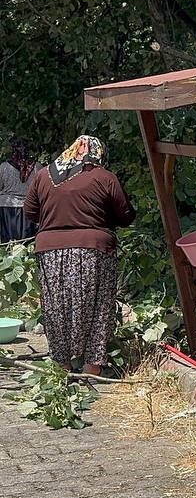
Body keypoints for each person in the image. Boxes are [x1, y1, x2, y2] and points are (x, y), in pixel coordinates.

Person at [23, 136, 136, 376]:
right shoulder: (104, 177)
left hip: (50, 251)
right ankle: (92, 367)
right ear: (97, 154)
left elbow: (30, 211)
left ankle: (61, 365)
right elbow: (125, 215)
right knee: (98, 306)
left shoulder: (43, 176)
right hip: (94, 250)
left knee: (56, 307)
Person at [0, 137, 41, 242]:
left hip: (6, 208)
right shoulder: (37, 167)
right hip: (29, 207)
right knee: (27, 242)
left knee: (8, 242)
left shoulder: (4, 167)